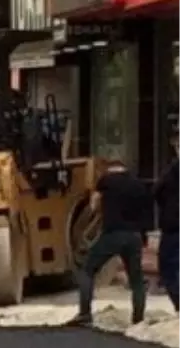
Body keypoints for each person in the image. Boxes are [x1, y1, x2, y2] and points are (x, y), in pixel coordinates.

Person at [68, 161, 152, 327]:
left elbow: (94, 205)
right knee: (136, 280)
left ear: (110, 169)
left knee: (87, 269)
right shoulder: (139, 185)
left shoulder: (106, 181)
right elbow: (146, 212)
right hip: (134, 236)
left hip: (113, 234)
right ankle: (138, 319)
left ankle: (85, 314)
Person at [156, 136, 180, 312]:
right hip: (172, 224)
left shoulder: (172, 171)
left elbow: (157, 191)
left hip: (173, 226)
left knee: (169, 266)